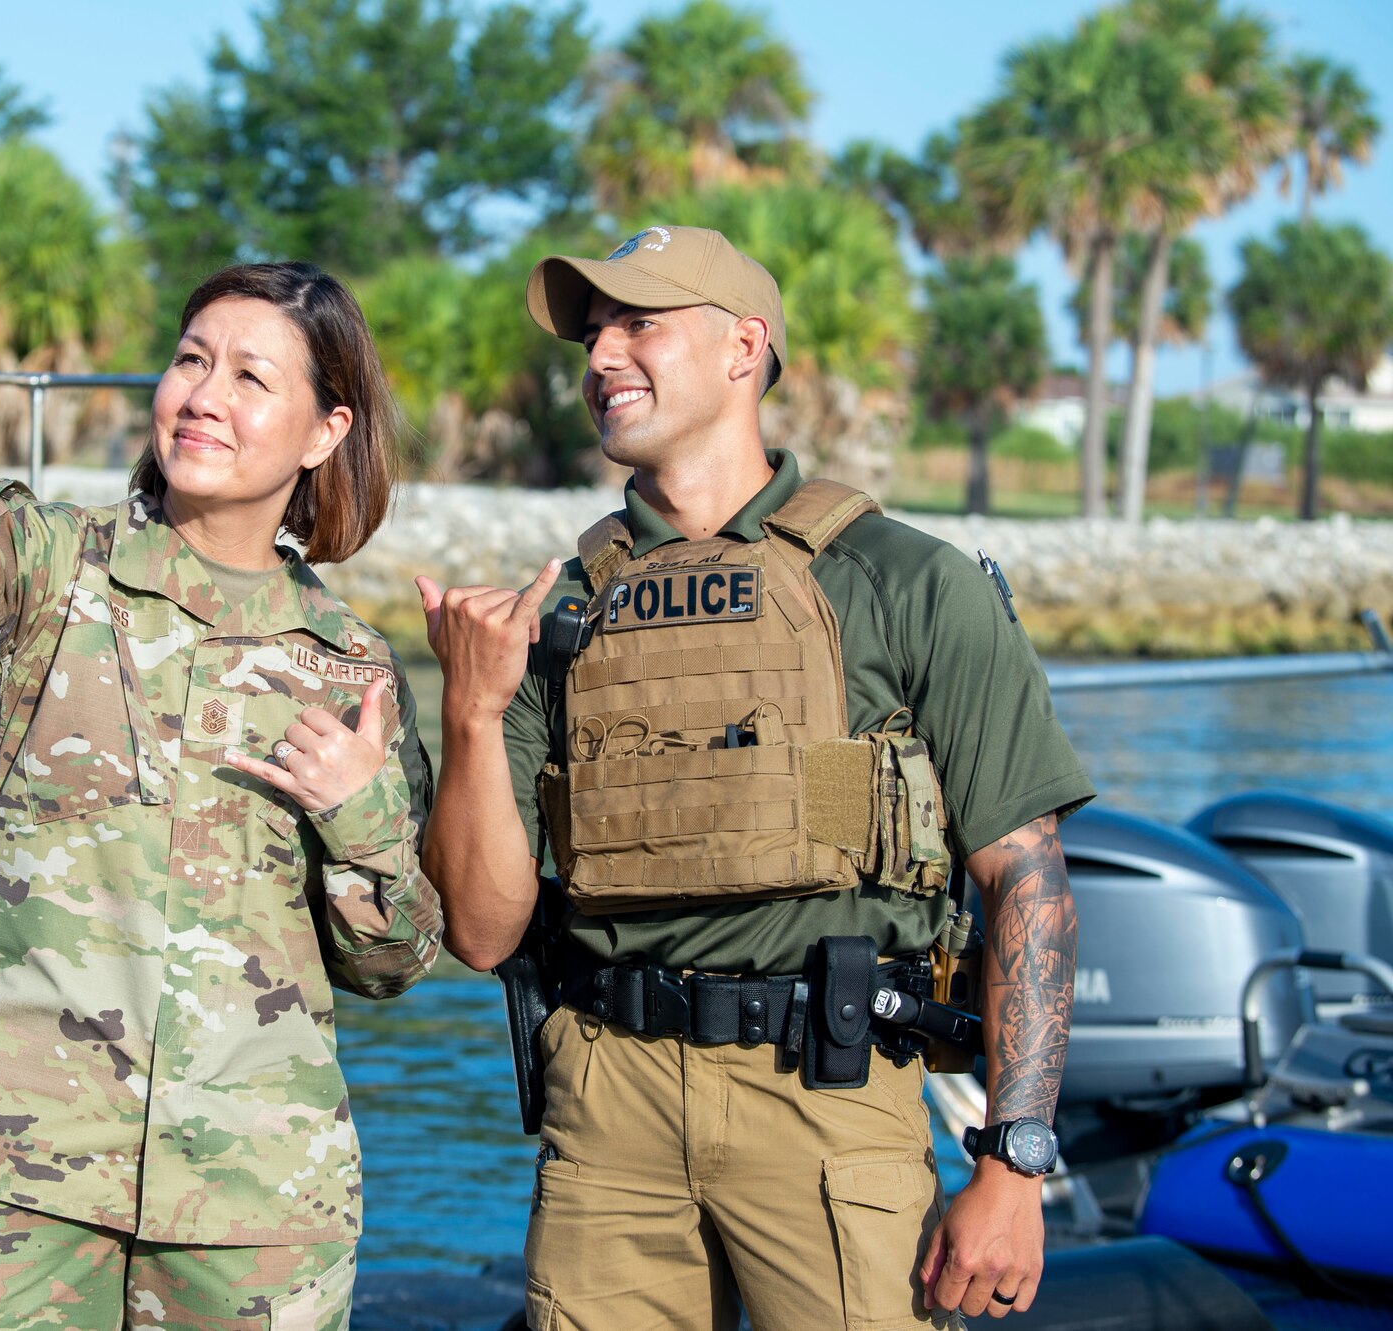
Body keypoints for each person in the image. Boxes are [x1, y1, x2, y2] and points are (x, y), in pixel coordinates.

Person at [0, 232, 442, 1331]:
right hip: (2, 1175)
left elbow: (394, 956)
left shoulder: (349, 667)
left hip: (253, 1197)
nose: (203, 396)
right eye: (188, 360)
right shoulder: (42, 564)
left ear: (326, 430)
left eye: (250, 377)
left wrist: (356, 816)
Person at [417, 225, 1094, 1331]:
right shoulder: (557, 617)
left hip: (827, 1097)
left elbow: (1024, 878)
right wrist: (470, 710)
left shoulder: (902, 583)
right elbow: (485, 933)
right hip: (607, 1108)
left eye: (638, 323)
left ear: (743, 348)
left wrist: (1012, 1162)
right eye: (591, 334)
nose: (599, 358)